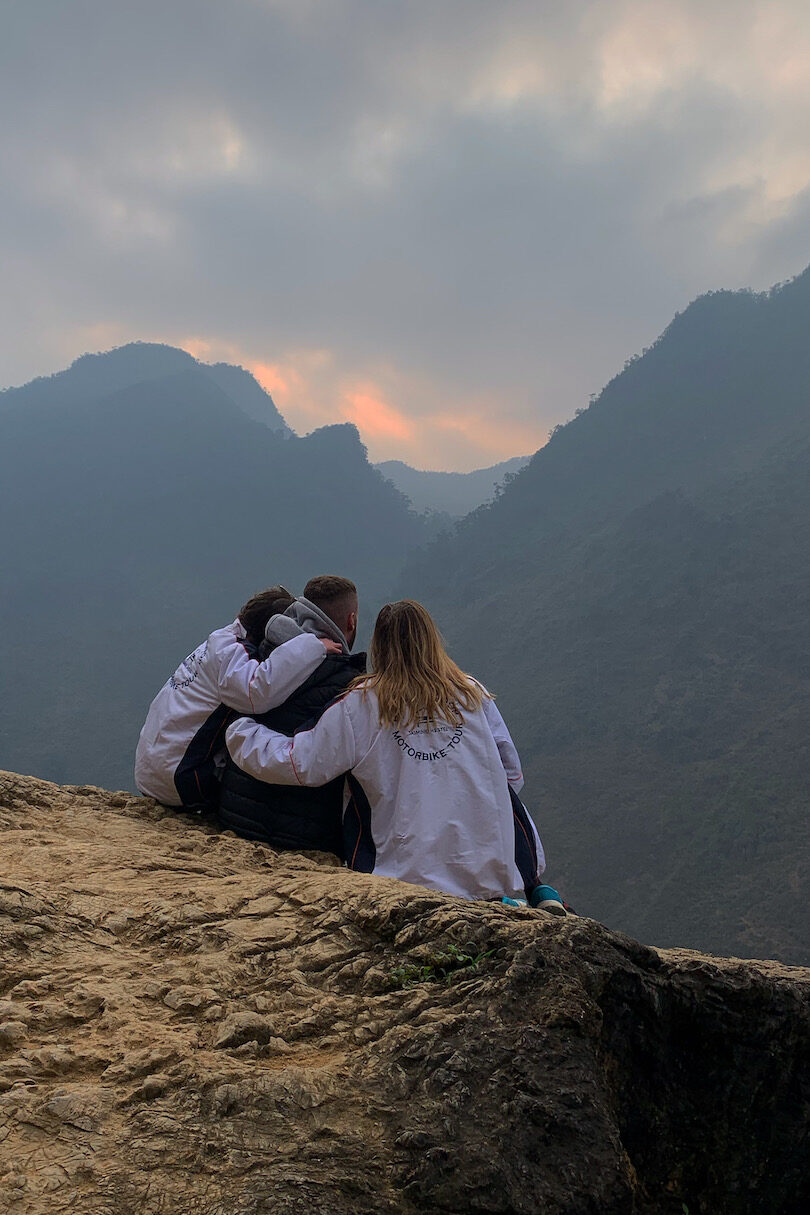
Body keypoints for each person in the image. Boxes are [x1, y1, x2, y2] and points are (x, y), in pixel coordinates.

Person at [226, 599, 564, 909]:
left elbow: (301, 763)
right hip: (484, 869)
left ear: (379, 646)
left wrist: (242, 733)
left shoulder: (362, 702)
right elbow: (512, 775)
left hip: (402, 875)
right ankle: (535, 892)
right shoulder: (471, 693)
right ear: (433, 640)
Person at [134, 586, 341, 810]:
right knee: (252, 743)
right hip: (179, 780)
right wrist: (313, 646)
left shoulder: (221, 641)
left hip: (153, 769)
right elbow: (258, 692)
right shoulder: (233, 654)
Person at [218, 575, 366, 856]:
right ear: (352, 622)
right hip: (308, 841)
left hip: (235, 820)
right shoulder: (351, 686)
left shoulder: (255, 658)